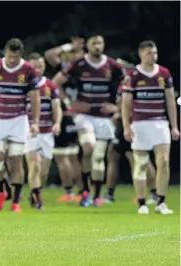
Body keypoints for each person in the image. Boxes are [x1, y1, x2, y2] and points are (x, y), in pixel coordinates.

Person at [52, 35, 124, 207]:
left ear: (104, 45)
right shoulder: (79, 63)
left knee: (99, 157)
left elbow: (126, 87)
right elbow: (55, 83)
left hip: (104, 117)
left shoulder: (113, 66)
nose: (97, 46)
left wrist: (117, 108)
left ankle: (96, 196)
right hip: (85, 116)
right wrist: (69, 102)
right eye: (94, 43)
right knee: (88, 146)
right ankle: (85, 190)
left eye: (100, 43)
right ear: (88, 46)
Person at [121, 40, 179, 215]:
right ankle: (142, 202)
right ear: (141, 54)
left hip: (160, 122)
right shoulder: (133, 75)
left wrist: (174, 126)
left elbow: (170, 101)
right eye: (149, 53)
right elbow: (125, 103)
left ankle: (161, 201)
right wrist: (126, 126)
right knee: (141, 164)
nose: (152, 56)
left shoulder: (164, 73)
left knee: (164, 162)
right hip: (140, 124)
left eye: (154, 53)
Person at [0, 38, 40, 213]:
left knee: (16, 161)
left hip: (18, 120)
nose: (12, 60)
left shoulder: (28, 69)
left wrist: (35, 122)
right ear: (5, 53)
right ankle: (2, 192)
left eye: (15, 57)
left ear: (20, 55)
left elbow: (35, 97)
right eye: (9, 56)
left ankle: (16, 202)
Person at [25, 53, 62, 209]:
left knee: (44, 170)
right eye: (35, 66)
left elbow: (57, 107)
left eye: (41, 66)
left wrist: (57, 123)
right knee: (35, 164)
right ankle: (38, 199)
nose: (38, 69)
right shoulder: (23, 84)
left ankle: (35, 191)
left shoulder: (50, 86)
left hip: (47, 132)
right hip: (30, 132)